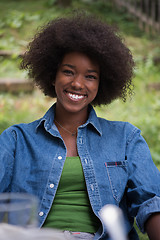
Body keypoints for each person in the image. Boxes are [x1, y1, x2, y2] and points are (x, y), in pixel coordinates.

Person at [0, 12, 160, 240]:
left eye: (90, 76)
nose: (77, 83)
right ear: (52, 75)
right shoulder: (16, 140)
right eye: (68, 72)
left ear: (101, 83)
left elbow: (151, 202)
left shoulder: (126, 137)